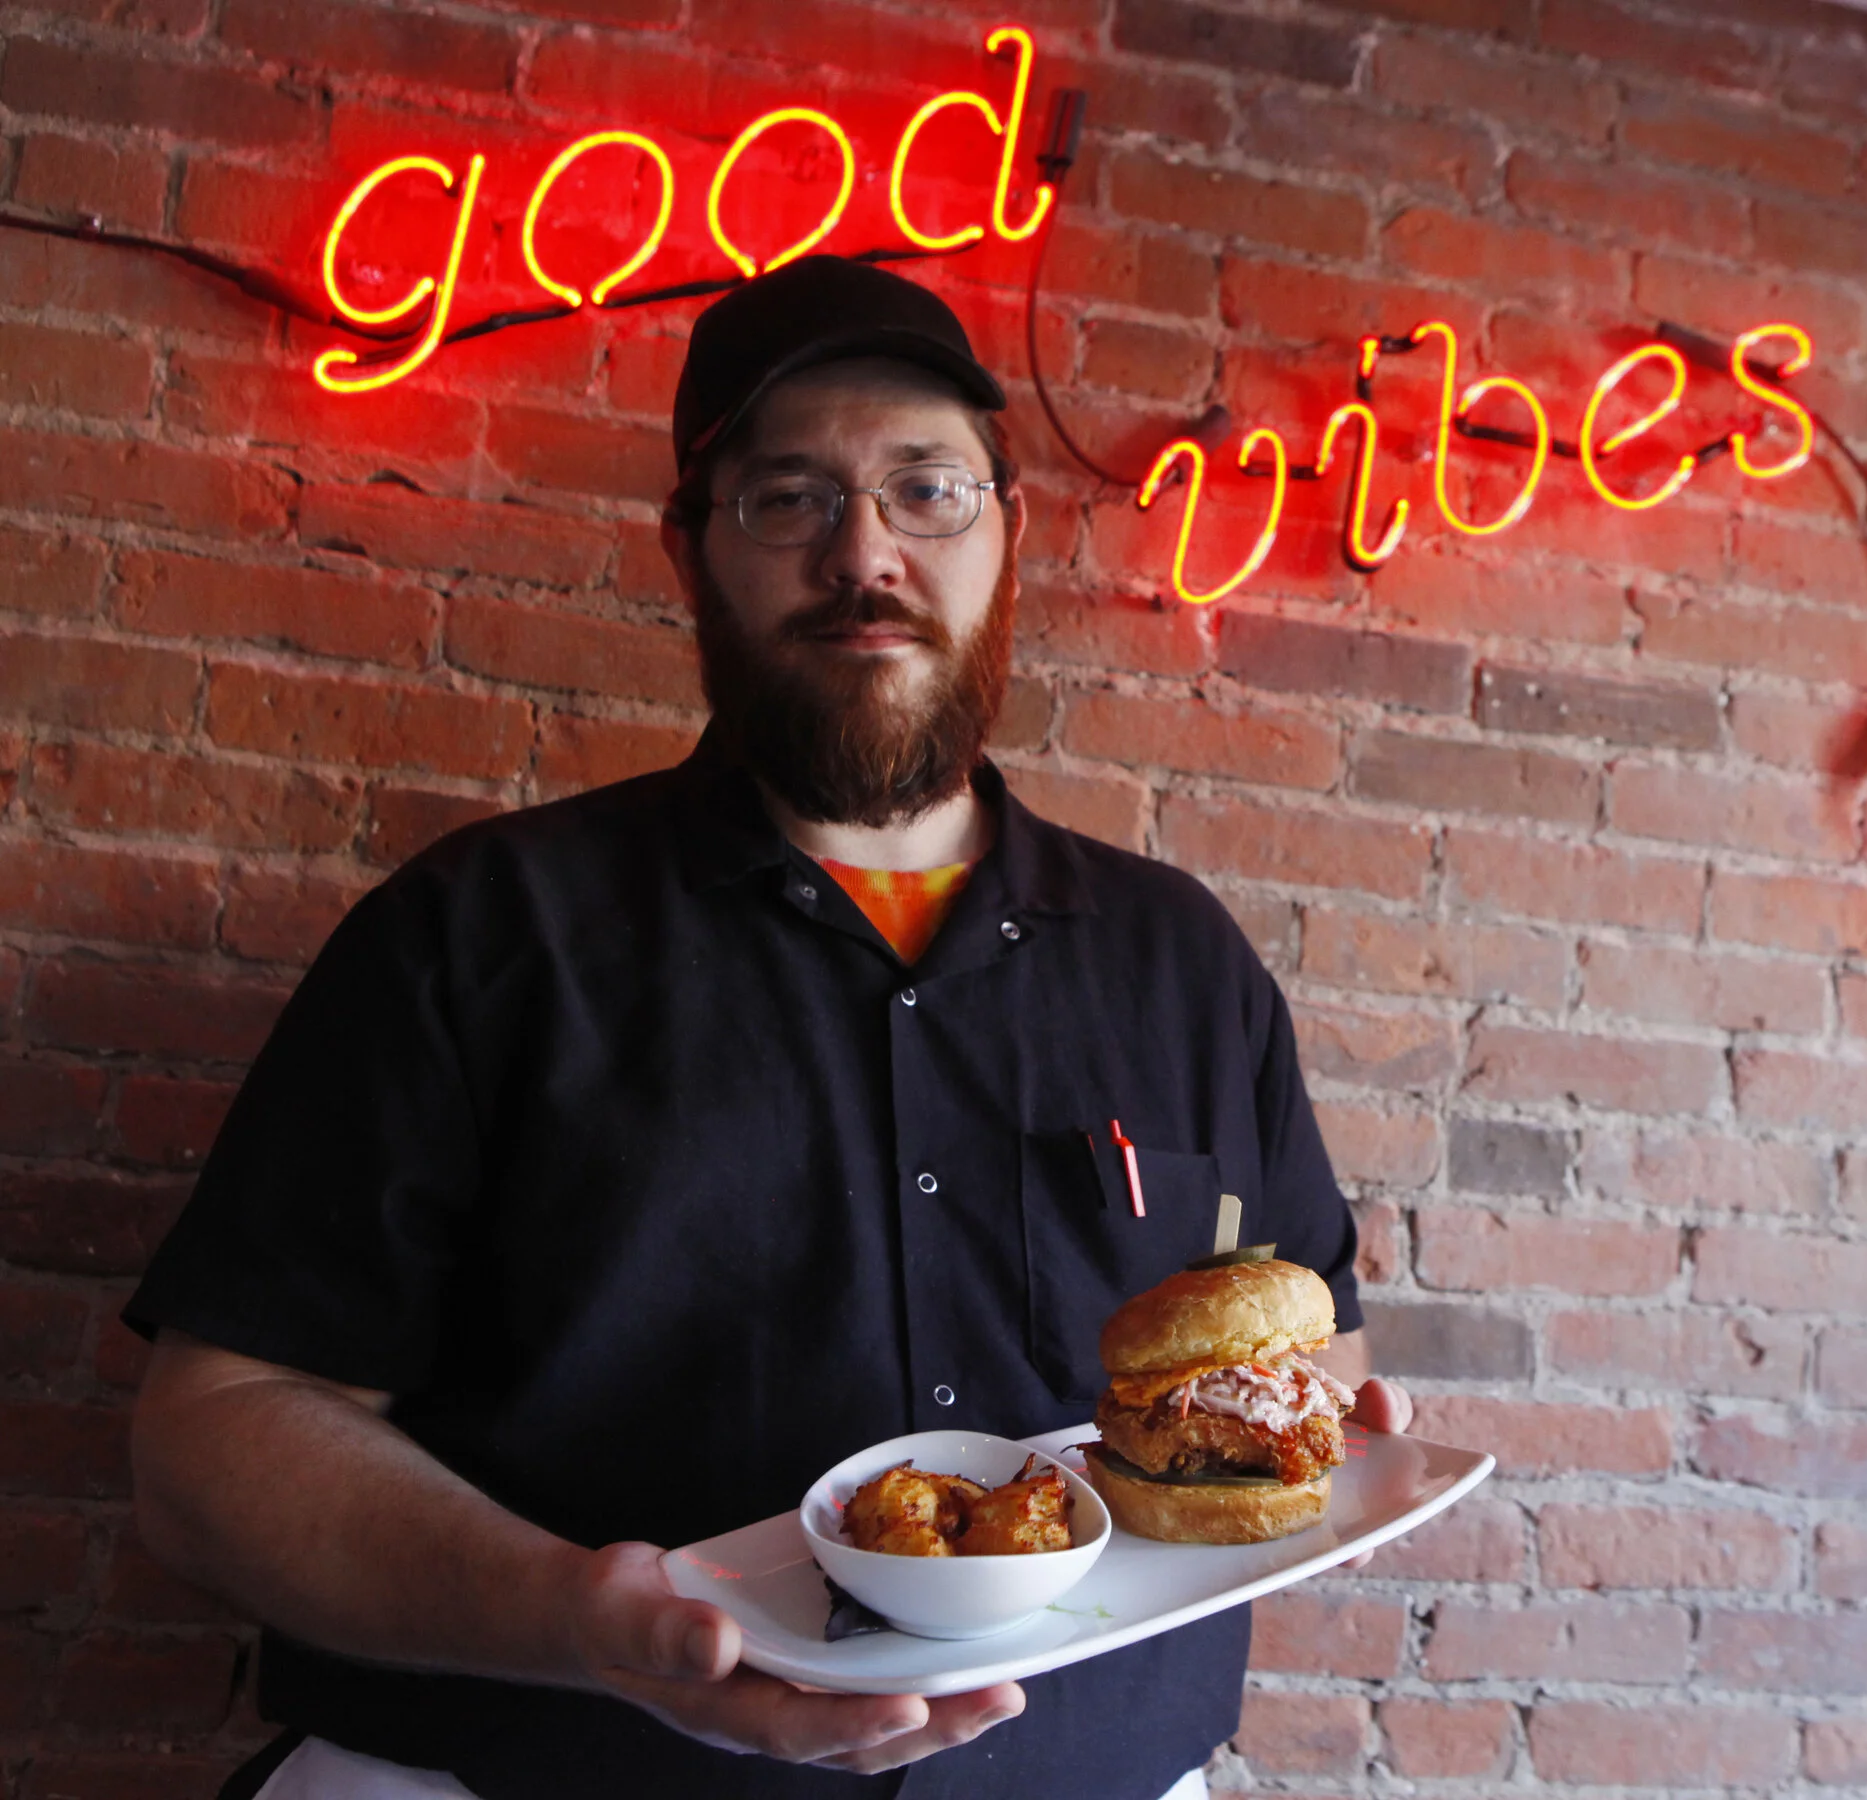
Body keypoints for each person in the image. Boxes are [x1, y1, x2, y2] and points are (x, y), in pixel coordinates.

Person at [124, 256, 1411, 1800]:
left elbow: (1311, 1335)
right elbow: (213, 1444)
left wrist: (1298, 1426)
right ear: (691, 550)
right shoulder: (477, 935)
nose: (862, 553)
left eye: (927, 490)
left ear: (1013, 530)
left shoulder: (1183, 964)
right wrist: (573, 1620)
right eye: (788, 498)